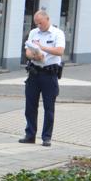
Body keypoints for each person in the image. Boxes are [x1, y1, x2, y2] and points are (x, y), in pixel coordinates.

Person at [19, 9, 65, 147]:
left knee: (48, 107)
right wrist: (35, 56)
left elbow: (60, 51)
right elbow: (27, 50)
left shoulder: (57, 33)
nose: (39, 26)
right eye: (36, 23)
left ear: (48, 19)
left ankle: (46, 137)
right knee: (30, 106)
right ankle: (30, 134)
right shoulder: (33, 33)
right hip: (34, 72)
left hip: (49, 74)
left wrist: (42, 48)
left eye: (41, 23)